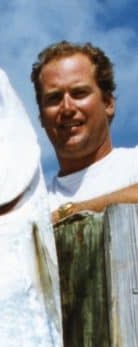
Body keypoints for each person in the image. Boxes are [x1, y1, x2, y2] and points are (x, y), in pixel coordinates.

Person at [31, 41, 138, 223]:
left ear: (108, 103)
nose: (67, 108)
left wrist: (72, 212)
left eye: (79, 93)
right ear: (41, 116)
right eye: (54, 98)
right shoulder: (34, 209)